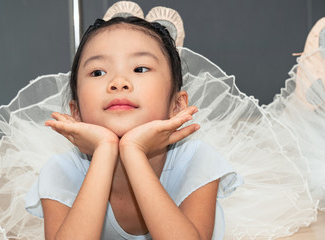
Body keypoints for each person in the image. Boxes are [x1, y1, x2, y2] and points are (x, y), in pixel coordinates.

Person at [23, 15, 240, 240]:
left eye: (140, 69)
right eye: (98, 72)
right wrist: (105, 150)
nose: (119, 82)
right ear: (76, 113)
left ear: (176, 105)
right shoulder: (61, 171)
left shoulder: (196, 160)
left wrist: (133, 150)